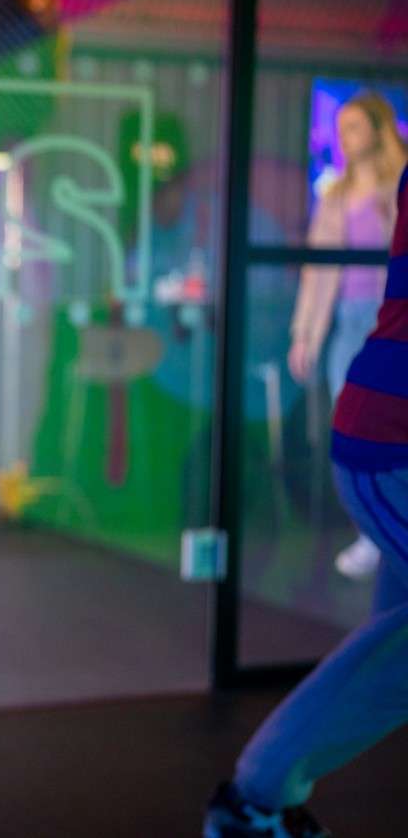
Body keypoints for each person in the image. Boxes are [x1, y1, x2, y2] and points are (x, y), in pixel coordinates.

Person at [204, 163, 408, 837]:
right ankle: (254, 797)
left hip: (381, 423)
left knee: (394, 656)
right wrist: (304, 330)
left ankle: (261, 798)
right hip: (393, 440)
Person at [287, 91, 406, 580]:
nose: (345, 138)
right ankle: (371, 535)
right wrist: (304, 336)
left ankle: (381, 535)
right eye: (341, 129)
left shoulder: (397, 184)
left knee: (387, 430)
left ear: (378, 130)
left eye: (355, 127)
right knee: (351, 430)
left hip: (387, 320)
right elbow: (317, 273)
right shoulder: (334, 196)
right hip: (347, 320)